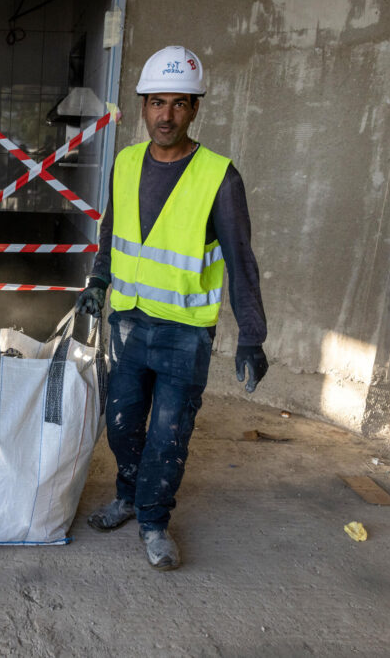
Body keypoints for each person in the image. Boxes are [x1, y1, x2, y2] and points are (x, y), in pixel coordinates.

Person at [75, 46, 268, 571]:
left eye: (179, 104)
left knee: (168, 435)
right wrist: (97, 280)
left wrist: (252, 335)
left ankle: (154, 521)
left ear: (195, 108)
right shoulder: (126, 162)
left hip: (185, 334)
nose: (166, 116)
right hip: (129, 326)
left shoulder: (219, 177)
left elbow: (241, 260)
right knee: (122, 424)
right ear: (142, 105)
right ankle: (126, 496)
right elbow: (113, 234)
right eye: (156, 103)